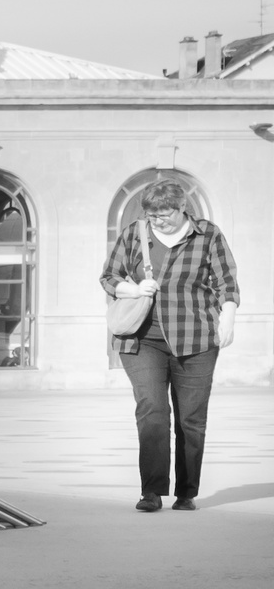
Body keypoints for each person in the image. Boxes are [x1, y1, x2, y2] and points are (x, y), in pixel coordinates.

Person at [100, 181, 238, 513]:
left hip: (196, 339)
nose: (158, 221)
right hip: (141, 339)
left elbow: (225, 281)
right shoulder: (135, 233)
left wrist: (228, 319)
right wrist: (132, 291)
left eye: (164, 214)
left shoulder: (208, 235)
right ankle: (151, 491)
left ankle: (186, 492)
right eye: (152, 214)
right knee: (153, 412)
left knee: (191, 419)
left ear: (181, 209)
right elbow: (109, 276)